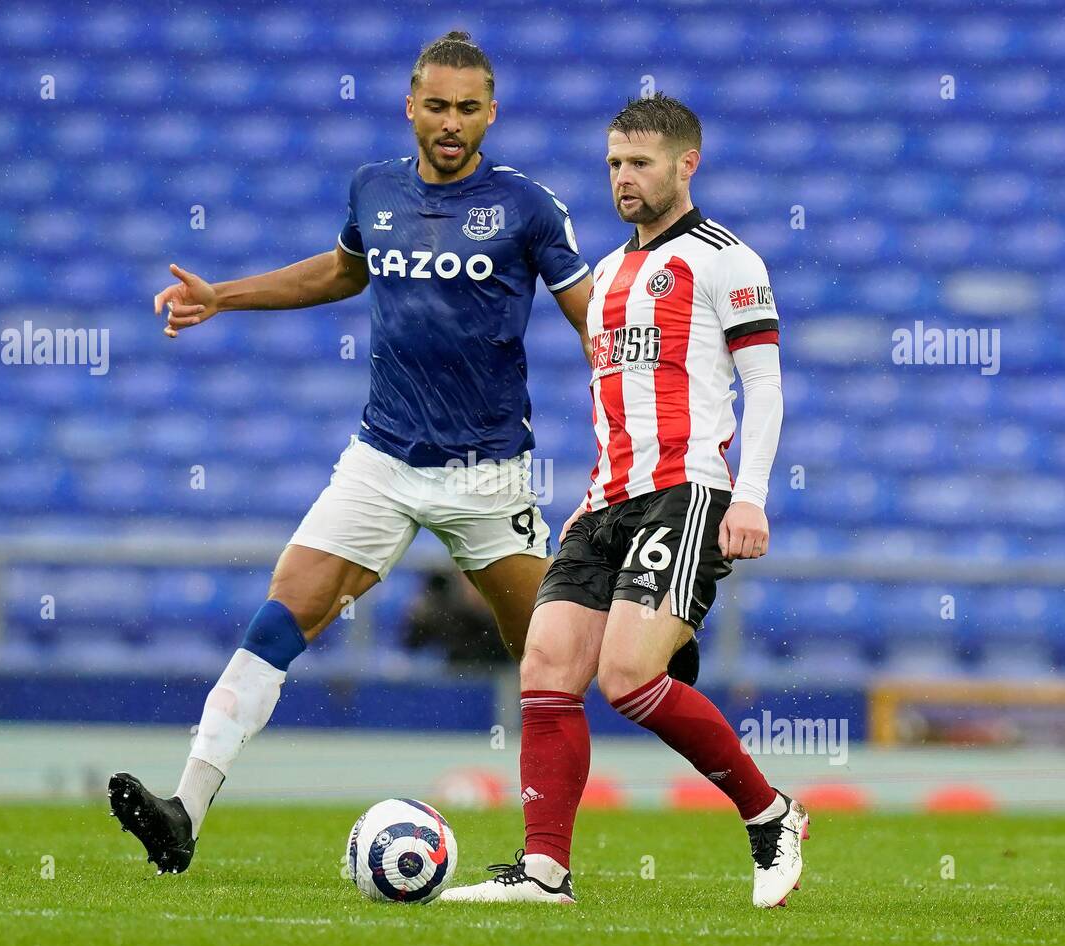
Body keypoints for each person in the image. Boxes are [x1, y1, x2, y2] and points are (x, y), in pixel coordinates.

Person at [107, 32, 698, 875]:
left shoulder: (527, 206)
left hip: (489, 474)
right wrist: (223, 296)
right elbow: (347, 272)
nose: (450, 122)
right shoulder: (373, 189)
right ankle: (185, 807)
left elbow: (594, 322)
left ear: (490, 113)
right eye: (436, 106)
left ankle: (607, 753)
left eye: (467, 108)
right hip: (379, 460)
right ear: (410, 107)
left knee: (561, 655)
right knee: (285, 609)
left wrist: (645, 429)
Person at [441, 94, 808, 909]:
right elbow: (619, 400)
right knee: (544, 665)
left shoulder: (726, 260)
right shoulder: (604, 276)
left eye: (640, 162)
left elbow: (766, 386)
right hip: (608, 500)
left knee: (629, 677)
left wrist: (749, 498)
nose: (623, 178)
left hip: (689, 494)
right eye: (613, 163)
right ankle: (545, 872)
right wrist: (589, 494)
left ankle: (770, 813)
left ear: (687, 165)